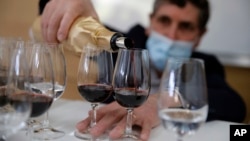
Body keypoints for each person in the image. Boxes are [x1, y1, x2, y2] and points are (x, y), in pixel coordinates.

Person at [38, 0, 246, 140]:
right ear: (150, 22)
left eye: (185, 26)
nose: (171, 35)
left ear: (200, 36)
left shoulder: (204, 64)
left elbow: (235, 106)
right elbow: (67, 19)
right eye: (164, 21)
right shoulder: (123, 44)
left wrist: (165, 101)